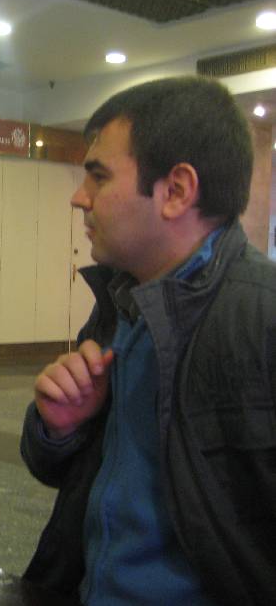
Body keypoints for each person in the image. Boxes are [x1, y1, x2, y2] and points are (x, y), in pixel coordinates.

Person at [20, 76, 276, 606]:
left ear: (176, 191)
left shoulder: (260, 320)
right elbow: (61, 472)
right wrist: (59, 428)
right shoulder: (123, 302)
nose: (78, 198)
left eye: (98, 176)